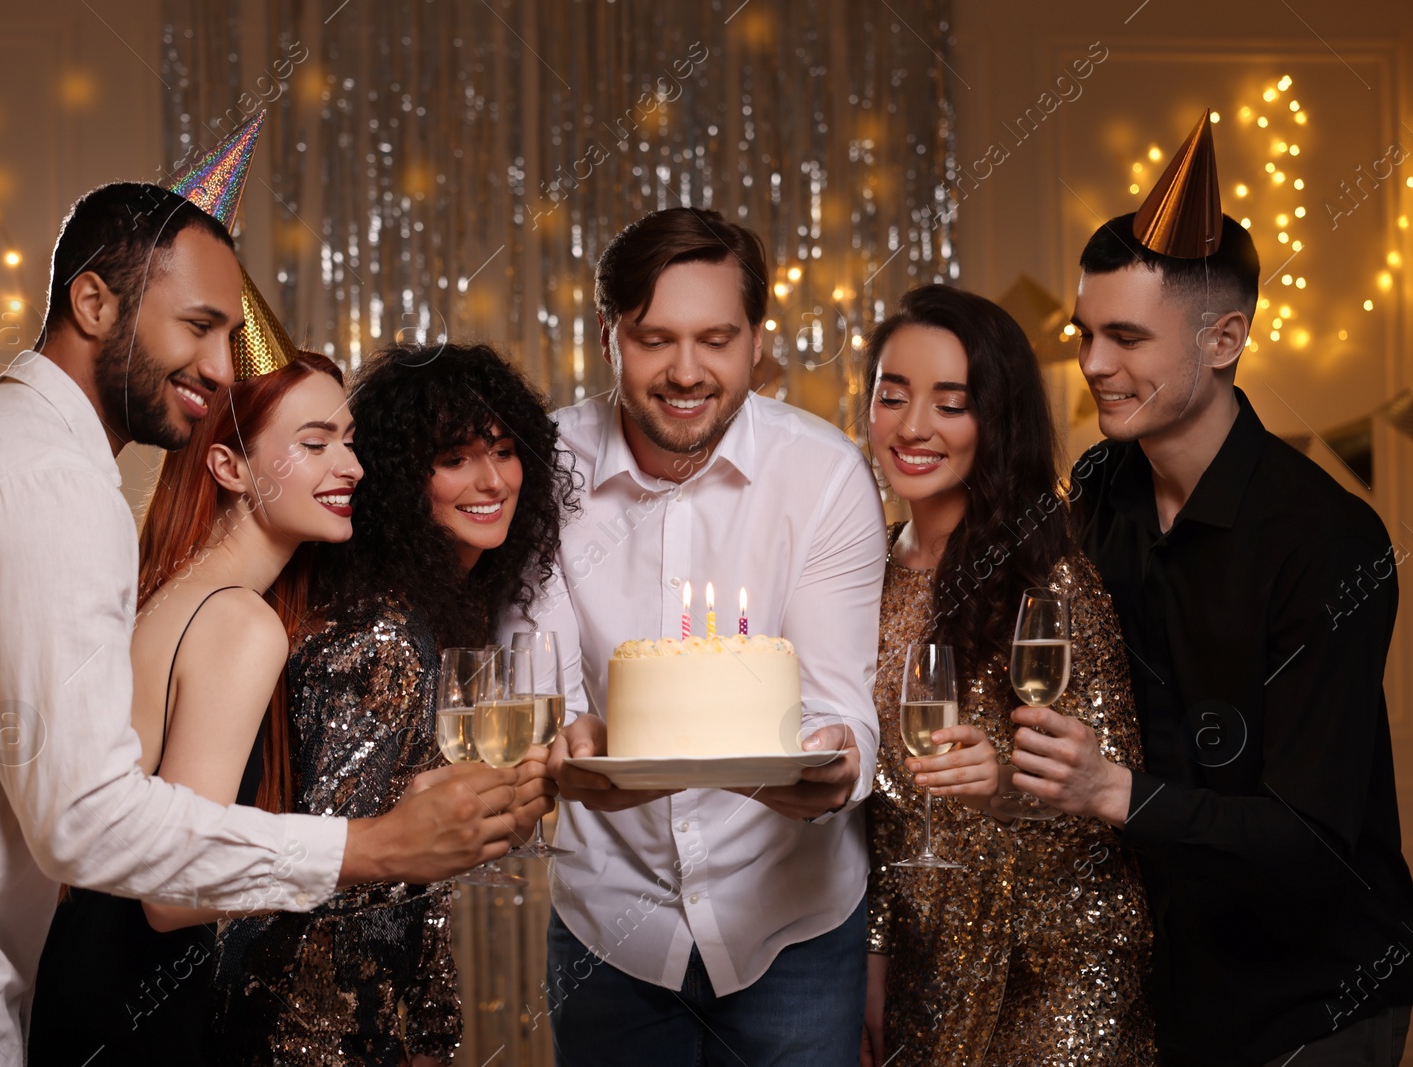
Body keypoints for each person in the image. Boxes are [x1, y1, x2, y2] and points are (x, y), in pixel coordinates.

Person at [0, 182, 547, 1067]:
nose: (218, 365)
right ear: (92, 301)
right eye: (196, 325)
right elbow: (85, 823)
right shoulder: (54, 485)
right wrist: (376, 844)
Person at [1023, 114, 1413, 1065]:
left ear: (1226, 336)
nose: (1094, 365)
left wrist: (1115, 790)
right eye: (1085, 334)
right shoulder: (1102, 490)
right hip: (1171, 993)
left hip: (1315, 1003)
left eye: (1127, 337)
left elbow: (1310, 837)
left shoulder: (1326, 537)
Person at [529, 207, 885, 1066]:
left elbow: (842, 702)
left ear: (757, 340)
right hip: (611, 924)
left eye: (716, 338)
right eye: (655, 339)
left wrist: (837, 769)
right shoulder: (544, 468)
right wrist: (563, 747)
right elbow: (548, 697)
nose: (686, 371)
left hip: (793, 921)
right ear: (608, 335)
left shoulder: (826, 475)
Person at [212, 342, 576, 1067]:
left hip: (367, 1017)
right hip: (310, 1026)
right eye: (455, 458)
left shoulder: (438, 612)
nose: (491, 478)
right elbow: (332, 859)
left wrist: (431, 1030)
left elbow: (409, 878)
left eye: (504, 451)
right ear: (404, 479)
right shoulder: (387, 631)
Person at [28, 340, 360, 1062]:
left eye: (349, 439)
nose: (351, 466)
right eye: (315, 442)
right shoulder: (242, 622)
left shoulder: (162, 593)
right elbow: (172, 893)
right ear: (228, 466)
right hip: (135, 1004)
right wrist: (358, 859)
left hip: (73, 982)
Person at [858, 284, 1153, 1065]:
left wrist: (1005, 787)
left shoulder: (1050, 578)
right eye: (893, 396)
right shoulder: (862, 575)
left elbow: (1113, 796)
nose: (913, 427)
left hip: (1055, 970)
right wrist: (875, 955)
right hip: (926, 970)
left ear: (997, 421)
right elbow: (875, 811)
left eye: (950, 404)